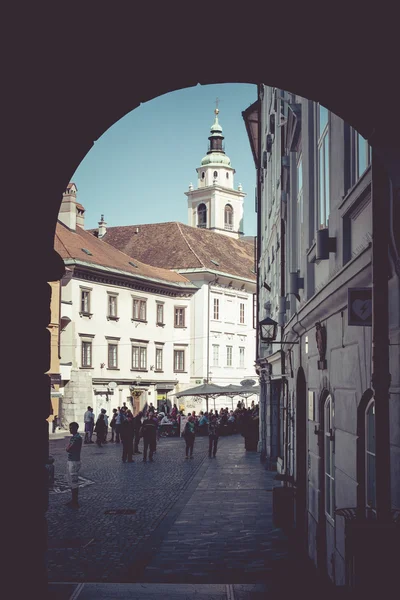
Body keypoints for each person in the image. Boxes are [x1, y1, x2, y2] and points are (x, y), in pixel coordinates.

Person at [65, 422, 82, 509]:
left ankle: (75, 502)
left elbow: (68, 448)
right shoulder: (74, 437)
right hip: (71, 460)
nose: (70, 430)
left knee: (74, 482)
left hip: (74, 461)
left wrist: (68, 448)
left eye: (72, 428)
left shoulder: (77, 438)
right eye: (70, 428)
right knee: (71, 481)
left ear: (76, 428)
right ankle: (73, 500)